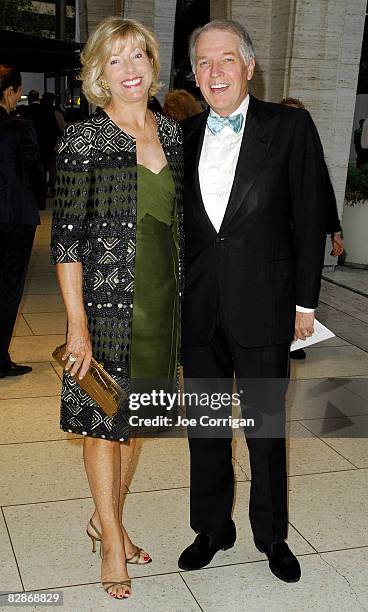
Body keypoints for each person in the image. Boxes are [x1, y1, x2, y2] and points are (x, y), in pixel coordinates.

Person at [178, 20, 330, 583]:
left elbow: (311, 217)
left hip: (265, 305)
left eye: (224, 61)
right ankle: (212, 528)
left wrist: (305, 302)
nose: (213, 73)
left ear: (248, 66)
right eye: (202, 63)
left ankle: (272, 535)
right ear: (193, 73)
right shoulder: (184, 134)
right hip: (198, 308)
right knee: (206, 429)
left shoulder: (290, 127)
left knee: (265, 429)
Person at [50, 17, 183, 600]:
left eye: (138, 57)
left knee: (136, 425)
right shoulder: (82, 141)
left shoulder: (175, 135)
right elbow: (67, 242)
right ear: (99, 73)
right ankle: (111, 540)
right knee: (103, 426)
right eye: (115, 60)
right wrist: (76, 326)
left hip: (164, 304)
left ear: (153, 65)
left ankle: (106, 518)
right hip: (106, 307)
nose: (130, 70)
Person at [281, 97, 344, 360]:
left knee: (300, 283)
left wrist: (335, 231)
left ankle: (295, 339)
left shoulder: (312, 155)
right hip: (278, 237)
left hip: (303, 236)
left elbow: (325, 193)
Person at [0, 65, 44, 378]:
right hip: (14, 216)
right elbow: (34, 171)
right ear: (11, 91)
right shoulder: (19, 128)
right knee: (8, 287)